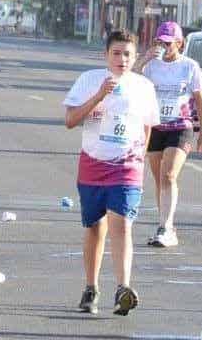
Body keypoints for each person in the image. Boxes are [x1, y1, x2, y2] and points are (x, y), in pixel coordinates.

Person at [64, 29, 160, 315]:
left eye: (128, 54)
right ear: (106, 55)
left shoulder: (143, 87)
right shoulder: (89, 80)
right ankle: (91, 287)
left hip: (127, 167)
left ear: (135, 57)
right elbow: (70, 120)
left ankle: (123, 288)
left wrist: (138, 159)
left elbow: (147, 127)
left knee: (122, 224)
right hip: (93, 164)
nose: (122, 59)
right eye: (116, 53)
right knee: (95, 227)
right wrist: (98, 96)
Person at [134, 21, 202, 248]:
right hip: (155, 126)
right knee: (159, 180)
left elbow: (200, 99)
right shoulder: (151, 66)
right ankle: (167, 225)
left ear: (179, 43)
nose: (165, 46)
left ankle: (165, 227)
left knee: (169, 175)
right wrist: (145, 58)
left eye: (169, 43)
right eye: (160, 42)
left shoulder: (190, 66)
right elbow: (130, 79)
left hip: (181, 126)